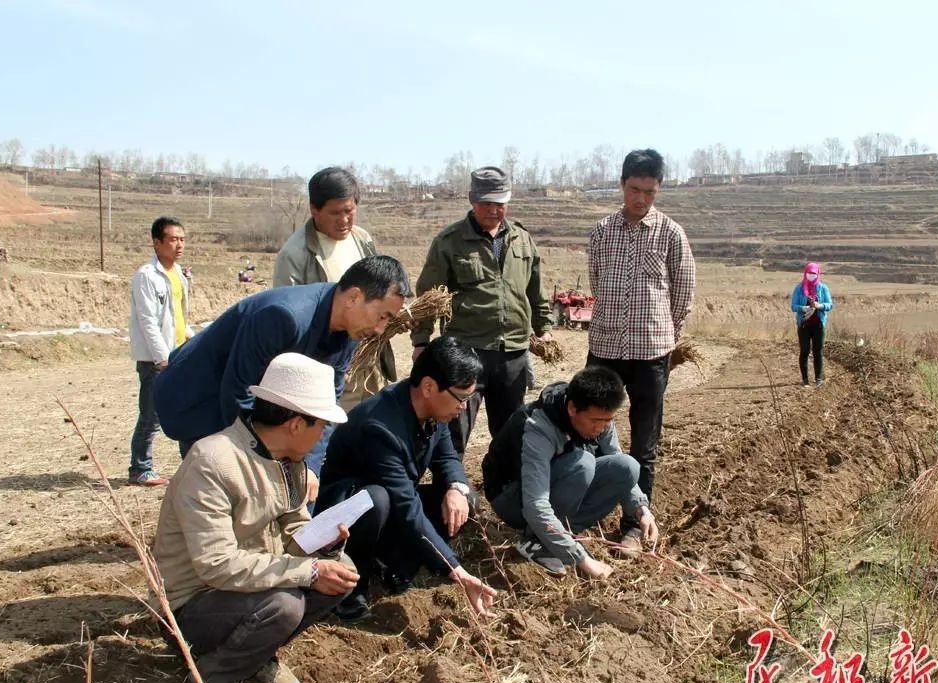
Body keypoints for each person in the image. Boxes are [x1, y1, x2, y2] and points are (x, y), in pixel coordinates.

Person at [151, 352, 360, 683]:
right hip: (195, 602)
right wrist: (308, 570)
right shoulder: (213, 462)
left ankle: (255, 653)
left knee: (340, 574)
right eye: (321, 427)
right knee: (285, 604)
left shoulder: (288, 461)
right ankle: (213, 679)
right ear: (297, 424)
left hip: (247, 588)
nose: (322, 436)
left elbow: (294, 525)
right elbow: (215, 565)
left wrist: (323, 545)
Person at [154, 255, 410, 483]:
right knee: (220, 488)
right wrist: (265, 460)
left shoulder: (350, 333)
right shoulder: (284, 316)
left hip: (246, 408)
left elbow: (325, 406)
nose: (380, 329)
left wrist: (308, 467)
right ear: (354, 297)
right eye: (383, 316)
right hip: (201, 399)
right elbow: (237, 393)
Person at [316, 336, 498, 621]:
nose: (464, 407)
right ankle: (353, 581)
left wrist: (456, 488)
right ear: (428, 387)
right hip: (346, 513)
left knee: (463, 499)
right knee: (376, 500)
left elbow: (448, 458)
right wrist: (456, 570)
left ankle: (394, 565)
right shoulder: (381, 426)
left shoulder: (432, 411)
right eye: (462, 398)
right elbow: (405, 505)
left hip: (392, 503)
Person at [586, 148, 695, 556]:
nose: (641, 199)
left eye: (650, 192)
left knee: (644, 442)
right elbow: (596, 281)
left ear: (658, 189)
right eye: (635, 189)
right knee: (589, 434)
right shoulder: (601, 232)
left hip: (651, 353)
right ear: (622, 185)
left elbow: (683, 294)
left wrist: (665, 334)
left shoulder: (670, 234)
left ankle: (634, 525)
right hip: (605, 348)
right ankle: (587, 512)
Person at [412, 166, 553, 453]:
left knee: (511, 433)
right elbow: (429, 295)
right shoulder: (450, 242)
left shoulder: (522, 240)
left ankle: (504, 492)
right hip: (467, 351)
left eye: (499, 204)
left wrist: (545, 329)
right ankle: (450, 487)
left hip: (512, 353)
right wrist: (420, 341)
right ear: (471, 199)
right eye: (486, 203)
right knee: (455, 432)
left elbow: (535, 290)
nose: (493, 210)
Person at [483, 365, 659, 576]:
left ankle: (556, 537)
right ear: (572, 408)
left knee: (627, 466)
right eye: (595, 421)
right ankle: (535, 541)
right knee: (582, 464)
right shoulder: (538, 426)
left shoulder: (599, 417)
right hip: (511, 497)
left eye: (608, 421)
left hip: (555, 483)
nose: (600, 428)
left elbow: (617, 462)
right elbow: (535, 503)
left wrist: (641, 510)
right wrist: (581, 559)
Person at [272, 167, 394, 406]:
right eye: (335, 213)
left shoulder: (362, 240)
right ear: (314, 210)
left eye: (349, 211)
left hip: (368, 365)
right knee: (333, 438)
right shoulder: (295, 255)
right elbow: (287, 325)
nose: (344, 220)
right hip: (327, 368)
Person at [127, 216, 192, 487]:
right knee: (152, 415)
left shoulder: (178, 275)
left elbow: (177, 318)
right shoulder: (146, 276)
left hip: (177, 354)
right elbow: (148, 321)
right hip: (157, 359)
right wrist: (162, 358)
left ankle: (191, 465)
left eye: (182, 239)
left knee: (187, 410)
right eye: (173, 239)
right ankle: (140, 468)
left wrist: (193, 340)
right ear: (157, 242)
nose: (179, 245)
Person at [791, 261, 834, 386]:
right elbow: (793, 306)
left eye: (814, 273)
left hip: (818, 324)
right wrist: (803, 308)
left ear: (818, 274)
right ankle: (805, 379)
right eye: (809, 273)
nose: (811, 275)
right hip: (804, 324)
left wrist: (820, 305)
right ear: (805, 273)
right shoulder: (799, 288)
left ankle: (818, 378)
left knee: (818, 351)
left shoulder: (823, 288)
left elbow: (830, 305)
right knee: (804, 351)